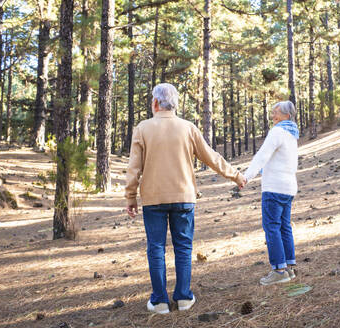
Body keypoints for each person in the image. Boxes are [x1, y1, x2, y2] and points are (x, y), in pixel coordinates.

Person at [125, 83, 246, 314]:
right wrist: (236, 176)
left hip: (153, 199)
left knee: (156, 249)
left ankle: (160, 301)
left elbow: (134, 168)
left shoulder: (143, 128)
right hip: (184, 198)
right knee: (183, 248)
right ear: (175, 104)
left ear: (155, 103)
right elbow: (211, 157)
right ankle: (183, 297)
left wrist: (130, 197)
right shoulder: (188, 128)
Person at [243, 100, 298, 286]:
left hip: (274, 187)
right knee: (284, 226)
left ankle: (278, 270)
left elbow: (262, 156)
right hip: (288, 187)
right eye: (273, 112)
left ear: (286, 116)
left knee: (272, 227)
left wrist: (246, 176)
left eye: (276, 112)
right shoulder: (292, 134)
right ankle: (289, 267)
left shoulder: (277, 132)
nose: (273, 116)